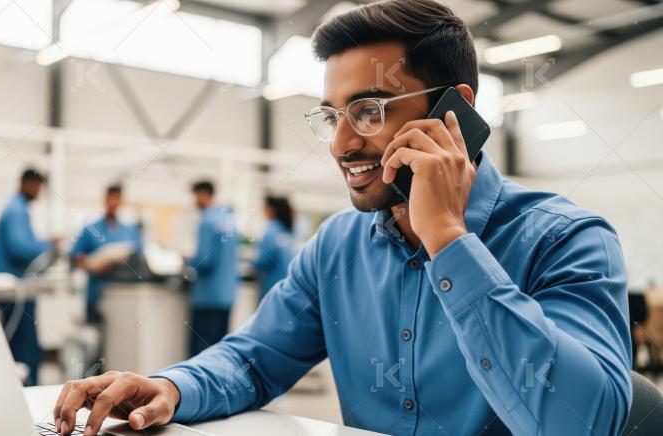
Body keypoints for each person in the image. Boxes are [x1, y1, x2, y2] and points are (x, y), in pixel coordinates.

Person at [53, 2, 632, 435]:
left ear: (456, 110)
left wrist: (449, 240)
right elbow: (255, 361)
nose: (341, 144)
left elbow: (585, 421)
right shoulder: (337, 246)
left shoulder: (567, 240)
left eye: (369, 111)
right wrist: (169, 387)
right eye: (333, 116)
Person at [0, 168, 56, 386]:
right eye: (38, 187)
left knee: (19, 346)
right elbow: (20, 248)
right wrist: (49, 244)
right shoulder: (17, 211)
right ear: (29, 184)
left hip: (18, 289)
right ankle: (29, 394)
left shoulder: (16, 209)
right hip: (16, 292)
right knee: (26, 349)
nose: (39, 192)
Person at [71, 185, 144, 325]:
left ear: (121, 201)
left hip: (124, 296)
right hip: (96, 294)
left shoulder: (130, 231)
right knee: (96, 338)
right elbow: (76, 257)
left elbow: (139, 258)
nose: (113, 203)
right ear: (105, 200)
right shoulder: (90, 229)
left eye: (117, 199)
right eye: (111, 199)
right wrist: (93, 267)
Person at [183, 181, 239, 357]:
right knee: (218, 351)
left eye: (195, 196)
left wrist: (189, 262)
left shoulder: (207, 221)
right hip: (226, 296)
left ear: (203, 195)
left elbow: (205, 261)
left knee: (201, 353)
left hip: (207, 297)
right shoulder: (229, 220)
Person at [251, 196, 295, 300]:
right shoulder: (287, 231)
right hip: (286, 285)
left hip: (270, 285)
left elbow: (262, 260)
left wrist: (252, 265)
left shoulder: (271, 230)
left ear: (271, 209)